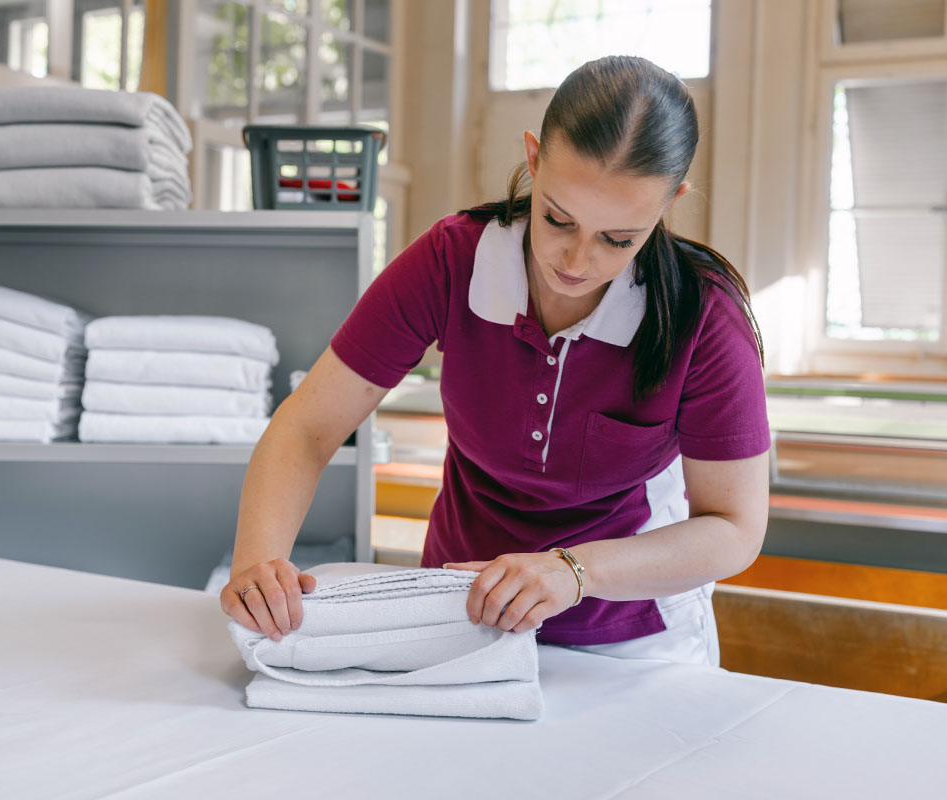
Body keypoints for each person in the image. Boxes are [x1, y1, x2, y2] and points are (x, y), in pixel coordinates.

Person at [221, 55, 769, 666]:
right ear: (533, 159)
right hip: (455, 614)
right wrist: (257, 564)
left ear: (671, 202)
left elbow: (734, 527)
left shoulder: (704, 317)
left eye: (619, 239)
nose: (577, 261)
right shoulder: (451, 261)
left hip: (632, 637)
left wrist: (572, 571)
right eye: (557, 218)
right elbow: (307, 426)